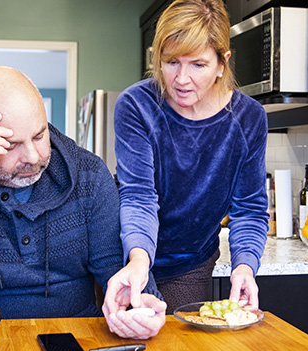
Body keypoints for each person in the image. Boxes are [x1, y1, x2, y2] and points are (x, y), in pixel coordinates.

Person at [0, 66, 166, 339]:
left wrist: (141, 306)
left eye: (39, 136)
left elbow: (118, 272)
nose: (32, 156)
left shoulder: (90, 176)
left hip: (75, 340)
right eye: (11, 144)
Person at [102, 0, 268, 322]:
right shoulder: (137, 106)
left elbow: (248, 209)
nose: (181, 79)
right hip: (125, 255)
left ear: (222, 63)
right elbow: (138, 196)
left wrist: (245, 266)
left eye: (198, 65)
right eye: (171, 62)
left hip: (190, 263)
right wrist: (137, 262)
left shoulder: (248, 119)